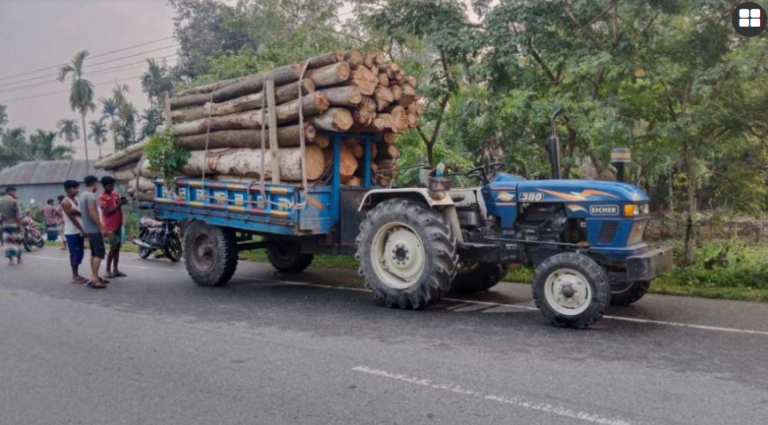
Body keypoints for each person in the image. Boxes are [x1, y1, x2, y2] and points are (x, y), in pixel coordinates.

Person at [80, 176, 110, 289]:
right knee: (99, 253)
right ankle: (94, 279)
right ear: (94, 184)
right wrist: (101, 227)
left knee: (94, 253)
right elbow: (93, 213)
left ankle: (96, 276)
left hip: (88, 229)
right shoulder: (90, 196)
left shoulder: (83, 195)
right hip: (94, 229)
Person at [99, 176, 127, 279]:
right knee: (113, 247)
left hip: (118, 224)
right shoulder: (102, 197)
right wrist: (119, 205)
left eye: (113, 185)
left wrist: (122, 203)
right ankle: (107, 270)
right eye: (110, 186)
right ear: (105, 186)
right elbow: (107, 212)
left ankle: (115, 269)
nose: (112, 187)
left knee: (117, 247)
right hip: (110, 226)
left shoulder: (115, 195)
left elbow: (118, 207)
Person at [61, 181, 87, 284]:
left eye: (77, 188)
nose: (77, 190)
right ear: (68, 189)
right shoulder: (65, 202)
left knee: (80, 252)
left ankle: (77, 274)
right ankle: (75, 276)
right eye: (74, 188)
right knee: (75, 253)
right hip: (72, 231)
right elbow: (72, 218)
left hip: (80, 230)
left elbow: (80, 214)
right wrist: (82, 229)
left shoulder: (76, 199)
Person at [0, 187, 23, 265]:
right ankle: (19, 259)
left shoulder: (1, 201)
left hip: (5, 225)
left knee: (8, 243)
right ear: (9, 191)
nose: (14, 193)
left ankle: (10, 260)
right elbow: (18, 215)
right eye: (14, 192)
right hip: (14, 224)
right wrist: (20, 226)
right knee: (17, 242)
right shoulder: (14, 201)